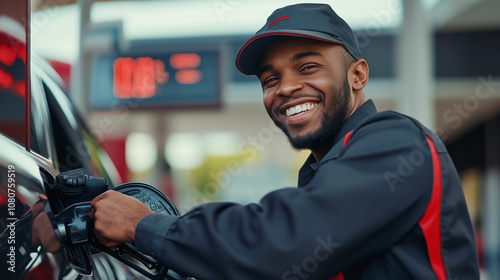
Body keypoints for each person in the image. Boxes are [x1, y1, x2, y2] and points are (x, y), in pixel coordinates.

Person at [88, 3, 479, 279]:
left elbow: (279, 241)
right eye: (270, 79)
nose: (286, 88)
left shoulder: (395, 142)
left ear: (357, 76)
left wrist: (142, 224)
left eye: (308, 67)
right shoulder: (323, 171)